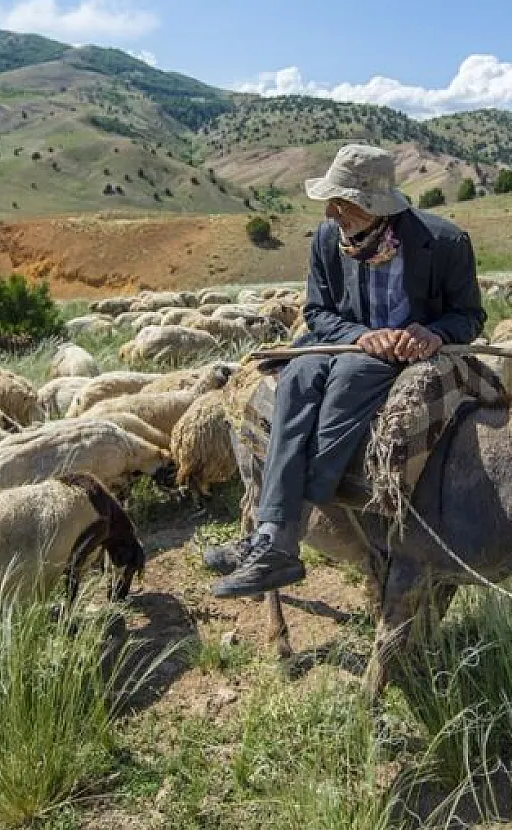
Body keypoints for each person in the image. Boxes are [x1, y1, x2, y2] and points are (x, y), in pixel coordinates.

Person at [205, 143, 486, 597]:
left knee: (352, 376)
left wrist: (433, 333)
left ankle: (279, 537)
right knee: (298, 375)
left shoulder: (446, 243)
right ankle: (271, 537)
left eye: (343, 203)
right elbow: (317, 312)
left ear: (376, 205)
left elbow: (469, 316)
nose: (332, 212)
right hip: (346, 342)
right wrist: (360, 336)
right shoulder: (327, 239)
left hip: (401, 355)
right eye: (332, 202)